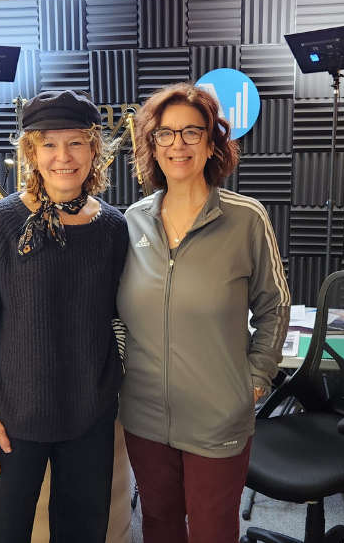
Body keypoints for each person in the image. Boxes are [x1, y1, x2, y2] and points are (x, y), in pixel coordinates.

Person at [118, 82, 291, 542]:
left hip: (218, 414)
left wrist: (256, 379)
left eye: (192, 132)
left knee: (213, 531)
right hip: (144, 415)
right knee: (159, 524)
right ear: (152, 145)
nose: (178, 144)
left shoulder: (247, 218)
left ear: (212, 143)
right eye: (165, 133)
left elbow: (275, 305)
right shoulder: (131, 222)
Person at [0, 90, 129, 542]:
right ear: (31, 152)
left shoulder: (113, 227)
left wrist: (113, 374)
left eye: (76, 143)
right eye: (49, 144)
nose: (63, 157)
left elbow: (118, 314)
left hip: (89, 415)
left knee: (82, 534)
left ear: (94, 149)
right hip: (11, 416)